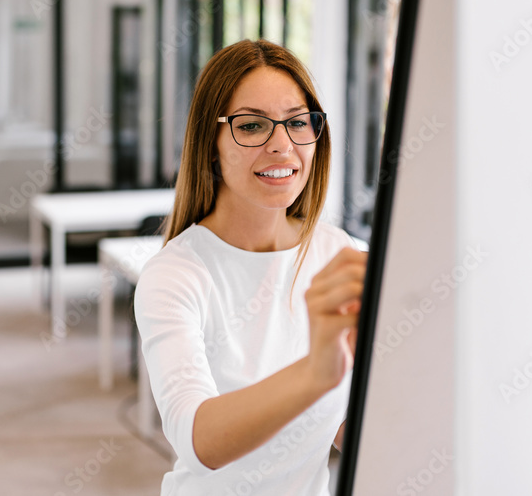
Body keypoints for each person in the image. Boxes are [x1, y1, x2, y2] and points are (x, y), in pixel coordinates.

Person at [134, 39, 367, 495]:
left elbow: (340, 429)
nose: (282, 145)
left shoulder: (334, 252)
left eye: (298, 122)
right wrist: (317, 370)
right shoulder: (176, 275)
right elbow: (198, 439)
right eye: (253, 125)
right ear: (212, 144)